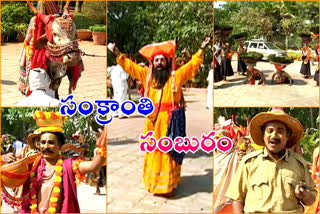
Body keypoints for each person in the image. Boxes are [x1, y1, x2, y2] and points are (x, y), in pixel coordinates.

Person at [108, 37, 210, 195]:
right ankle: (154, 183)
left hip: (172, 122)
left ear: (167, 62)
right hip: (153, 123)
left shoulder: (176, 76)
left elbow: (192, 65)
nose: (160, 63)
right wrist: (118, 54)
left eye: (162, 60)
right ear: (152, 63)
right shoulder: (146, 75)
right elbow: (130, 67)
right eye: (157, 60)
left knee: (170, 152)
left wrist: (201, 49)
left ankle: (169, 184)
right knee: (155, 151)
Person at [1, 111, 107, 213]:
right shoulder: (31, 165)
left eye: (51, 142)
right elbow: (7, 174)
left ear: (60, 145)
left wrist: (102, 149)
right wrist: (3, 158)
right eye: (43, 142)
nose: (46, 146)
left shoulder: (69, 165)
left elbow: (94, 165)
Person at [225, 108, 316, 213]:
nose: (274, 135)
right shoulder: (249, 163)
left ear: (287, 136)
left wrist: (305, 195)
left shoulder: (299, 164)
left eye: (280, 131)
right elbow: (237, 199)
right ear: (263, 135)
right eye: (270, 131)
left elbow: (311, 201)